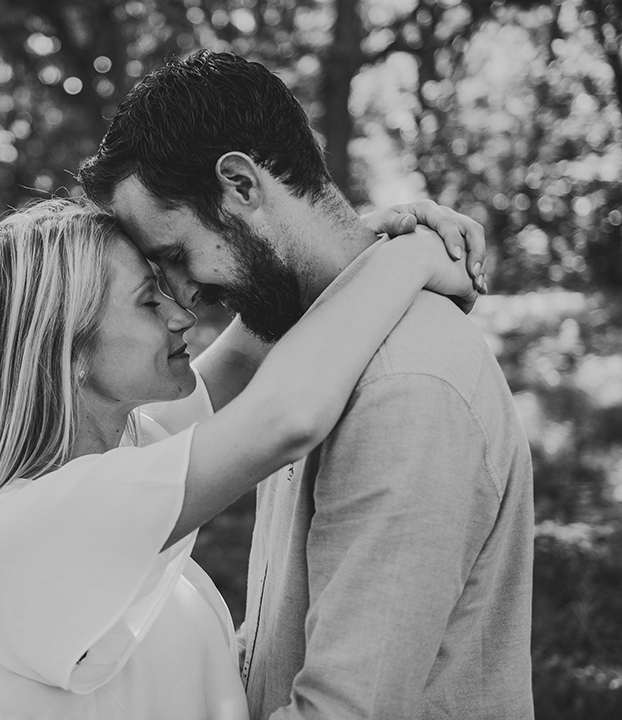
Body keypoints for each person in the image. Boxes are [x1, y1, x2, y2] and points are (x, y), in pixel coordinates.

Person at [79, 50, 534, 720]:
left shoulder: (402, 390)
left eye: (177, 256)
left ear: (240, 185)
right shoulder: (310, 352)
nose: (186, 298)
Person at [0, 195, 485, 719]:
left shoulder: (125, 449)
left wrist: (357, 243)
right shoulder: (34, 529)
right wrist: (414, 258)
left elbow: (243, 358)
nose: (181, 317)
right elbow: (287, 415)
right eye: (148, 301)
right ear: (68, 349)